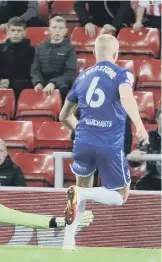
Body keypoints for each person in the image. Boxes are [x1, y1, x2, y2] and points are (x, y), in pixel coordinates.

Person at [59, 34, 149, 251]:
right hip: (109, 144)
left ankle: (67, 243)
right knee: (120, 195)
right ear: (116, 54)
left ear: (94, 54)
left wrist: (79, 128)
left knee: (80, 189)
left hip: (83, 142)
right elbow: (127, 97)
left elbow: (64, 115)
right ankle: (82, 194)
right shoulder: (121, 73)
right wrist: (140, 124)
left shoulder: (82, 77)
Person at [129, 110, 161, 191]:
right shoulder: (149, 136)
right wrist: (136, 156)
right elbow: (135, 162)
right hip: (153, 178)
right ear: (157, 121)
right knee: (141, 187)